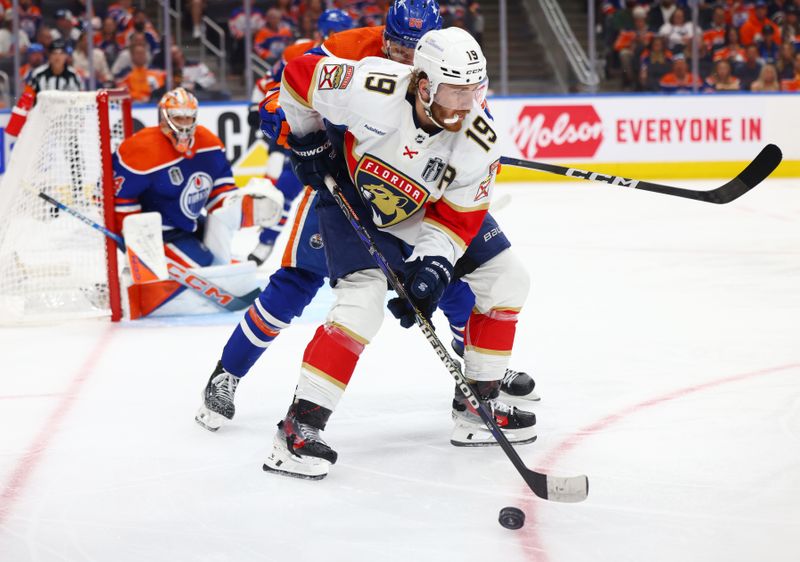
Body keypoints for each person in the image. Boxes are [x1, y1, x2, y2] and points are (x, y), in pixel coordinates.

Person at [196, 0, 538, 435]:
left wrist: (460, 147)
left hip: (414, 197)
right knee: (299, 284)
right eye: (398, 45)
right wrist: (303, 138)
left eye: (417, 48)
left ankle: (477, 377)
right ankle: (228, 373)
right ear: (384, 36)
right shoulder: (355, 57)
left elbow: (466, 161)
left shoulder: (453, 82)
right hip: (345, 183)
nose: (407, 57)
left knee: (449, 277)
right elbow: (287, 91)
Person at [112, 88, 280, 271]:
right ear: (164, 116)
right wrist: (136, 238)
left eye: (188, 118)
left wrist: (239, 208)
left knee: (218, 261)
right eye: (178, 118)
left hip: (186, 224)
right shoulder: (140, 148)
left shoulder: (209, 144)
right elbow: (121, 198)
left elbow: (220, 191)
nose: (184, 124)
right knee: (204, 265)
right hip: (155, 233)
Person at [247, 8, 356, 265]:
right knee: (286, 185)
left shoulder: (357, 57)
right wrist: (257, 106)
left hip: (343, 138)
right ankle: (266, 242)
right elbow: (270, 81)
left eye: (342, 32)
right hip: (307, 132)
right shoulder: (298, 52)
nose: (336, 37)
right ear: (321, 31)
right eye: (332, 32)